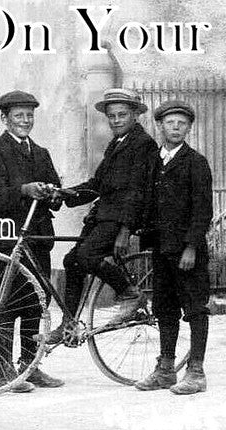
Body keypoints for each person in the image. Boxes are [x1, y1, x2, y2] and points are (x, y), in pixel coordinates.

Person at [39, 87, 156, 345]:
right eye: (111, 116)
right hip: (102, 216)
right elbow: (97, 185)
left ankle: (129, 293)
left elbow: (139, 191)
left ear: (135, 115)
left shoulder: (143, 145)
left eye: (121, 115)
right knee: (72, 261)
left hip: (120, 218)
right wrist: (66, 193)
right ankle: (68, 325)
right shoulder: (116, 144)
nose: (115, 120)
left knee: (86, 256)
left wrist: (125, 230)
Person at [0, 90, 65, 392]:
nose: (25, 121)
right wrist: (26, 189)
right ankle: (4, 370)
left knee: (37, 303)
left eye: (29, 116)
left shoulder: (41, 153)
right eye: (19, 116)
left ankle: (30, 367)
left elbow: (56, 191)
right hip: (9, 238)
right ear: (5, 119)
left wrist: (54, 193)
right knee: (7, 302)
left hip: (39, 237)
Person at [133, 99, 213, 395]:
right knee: (164, 309)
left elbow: (202, 210)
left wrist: (191, 247)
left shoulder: (196, 162)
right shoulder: (154, 161)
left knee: (195, 309)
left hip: (187, 252)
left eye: (182, 123)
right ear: (160, 126)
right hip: (162, 250)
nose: (176, 127)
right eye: (170, 122)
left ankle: (196, 372)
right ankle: (166, 370)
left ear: (189, 128)